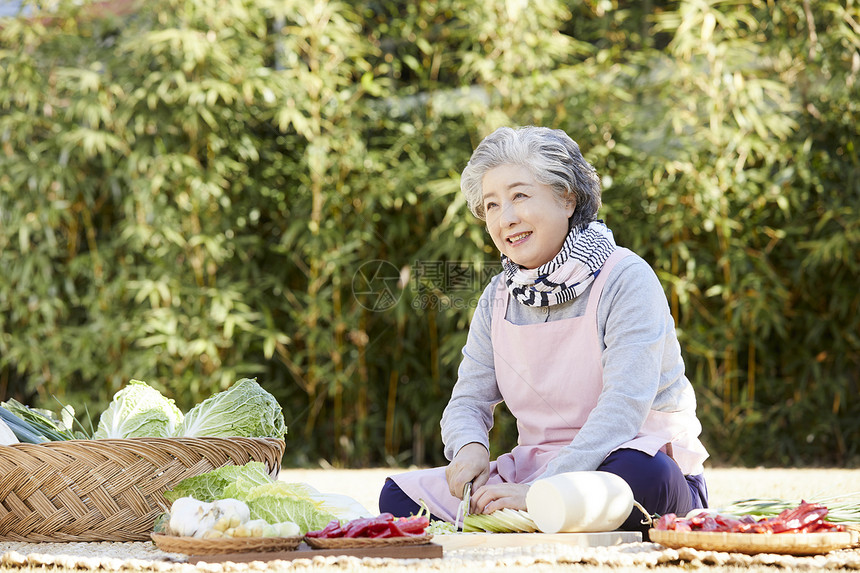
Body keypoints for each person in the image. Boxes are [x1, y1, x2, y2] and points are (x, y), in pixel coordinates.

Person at [378, 126, 709, 532]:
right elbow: (468, 400)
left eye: (520, 196)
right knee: (397, 497)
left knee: (644, 476)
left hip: (631, 458)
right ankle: (541, 513)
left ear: (567, 198)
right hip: (536, 471)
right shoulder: (498, 295)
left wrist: (544, 489)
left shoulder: (626, 278)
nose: (507, 218)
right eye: (493, 205)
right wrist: (469, 448)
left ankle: (540, 508)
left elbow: (623, 410)